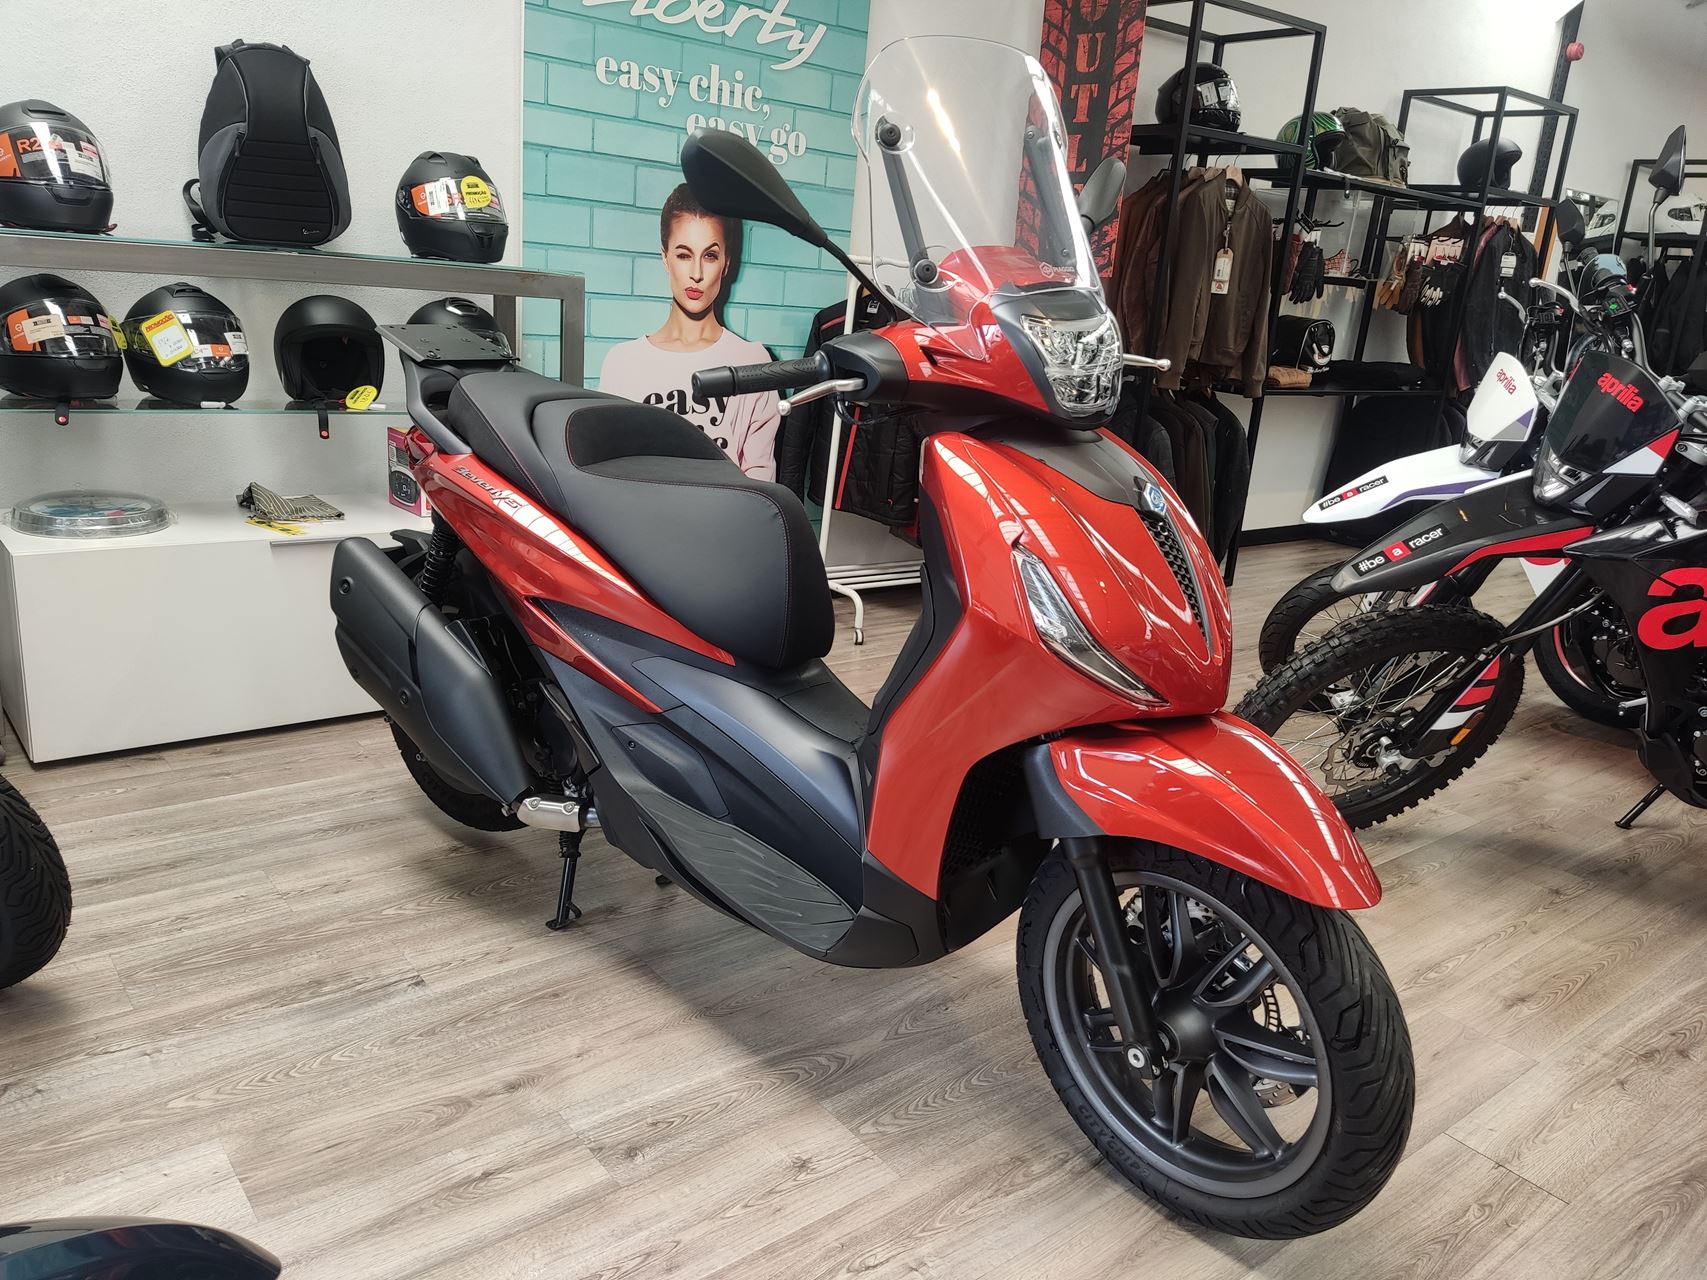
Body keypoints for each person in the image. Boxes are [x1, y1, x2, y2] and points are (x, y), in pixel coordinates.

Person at [597, 183, 781, 480]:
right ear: (665, 258)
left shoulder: (752, 362)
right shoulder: (622, 363)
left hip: (729, 511)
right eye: (684, 255)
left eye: (710, 256)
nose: (696, 273)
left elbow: (760, 481)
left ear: (726, 264)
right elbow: (612, 476)